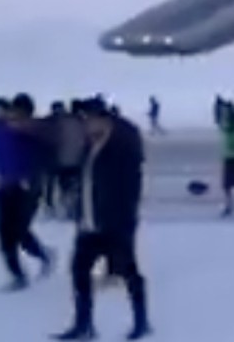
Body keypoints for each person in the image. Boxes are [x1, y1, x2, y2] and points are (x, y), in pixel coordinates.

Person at [54, 98, 150, 341]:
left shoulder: (122, 147)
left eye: (88, 120)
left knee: (129, 273)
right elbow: (86, 181)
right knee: (79, 272)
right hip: (89, 224)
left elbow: (132, 188)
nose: (85, 125)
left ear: (103, 120)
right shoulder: (89, 147)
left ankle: (141, 322)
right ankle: (83, 324)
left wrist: (124, 220)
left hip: (114, 224)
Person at [0, 93, 55, 291]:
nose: (12, 116)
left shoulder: (35, 131)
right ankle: (18, 276)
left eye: (19, 113)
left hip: (26, 188)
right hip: (5, 186)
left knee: (20, 231)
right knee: (4, 234)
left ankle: (44, 256)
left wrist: (32, 178)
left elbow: (45, 156)